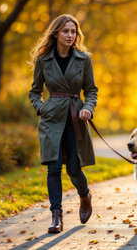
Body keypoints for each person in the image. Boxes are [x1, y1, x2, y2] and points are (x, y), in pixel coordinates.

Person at [28, 14, 98, 233]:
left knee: (75, 169)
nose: (70, 35)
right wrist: (40, 107)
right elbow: (34, 91)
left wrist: (88, 108)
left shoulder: (84, 59)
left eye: (73, 31)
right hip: (51, 120)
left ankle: (85, 195)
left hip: (75, 118)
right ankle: (56, 217)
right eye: (66, 31)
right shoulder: (43, 59)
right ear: (56, 33)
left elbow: (91, 90)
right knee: (54, 168)